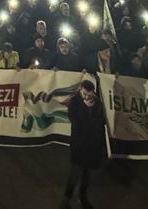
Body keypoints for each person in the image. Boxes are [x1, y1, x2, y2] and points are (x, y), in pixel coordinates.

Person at [61, 80, 106, 209]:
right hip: (79, 144)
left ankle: (83, 197)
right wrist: (85, 108)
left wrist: (92, 110)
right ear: (80, 89)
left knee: (87, 175)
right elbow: (74, 119)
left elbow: (102, 121)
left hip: (93, 146)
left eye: (89, 93)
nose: (87, 96)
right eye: (85, 93)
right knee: (74, 173)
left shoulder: (97, 103)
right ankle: (66, 198)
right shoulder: (74, 102)